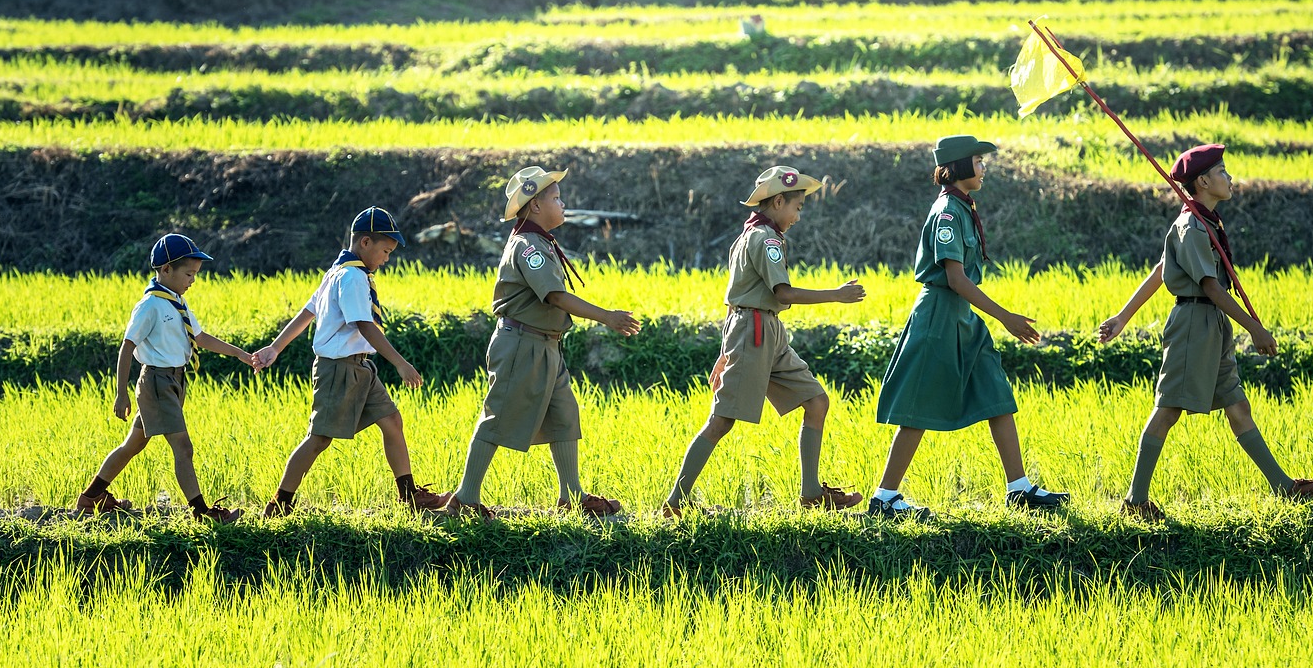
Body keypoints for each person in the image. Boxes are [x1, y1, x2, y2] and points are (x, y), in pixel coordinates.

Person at [1097, 143, 1313, 522]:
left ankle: (1284, 488)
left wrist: (1123, 317)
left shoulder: (1205, 221)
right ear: (1204, 180)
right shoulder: (1190, 225)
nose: (1230, 178)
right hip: (1194, 325)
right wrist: (1254, 329)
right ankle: (1134, 500)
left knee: (1237, 406)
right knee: (1168, 410)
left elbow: (1162, 269)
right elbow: (1209, 286)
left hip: (1213, 326)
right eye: (1223, 172)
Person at [866, 135, 1068, 519]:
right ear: (959, 166)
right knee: (917, 407)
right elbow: (956, 278)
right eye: (978, 159)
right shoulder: (947, 212)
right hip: (940, 317)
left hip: (963, 318)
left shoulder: (962, 207)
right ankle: (885, 498)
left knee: (996, 393)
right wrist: (1006, 317)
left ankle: (1018, 488)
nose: (984, 165)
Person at [662, 166, 867, 516]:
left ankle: (811, 492)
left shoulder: (752, 236)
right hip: (753, 332)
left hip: (765, 331)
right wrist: (836, 295)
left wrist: (727, 349)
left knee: (816, 402)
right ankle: (675, 502)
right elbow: (782, 291)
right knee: (722, 421)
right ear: (777, 201)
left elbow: (734, 299)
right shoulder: (765, 239)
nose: (798, 216)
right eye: (797, 207)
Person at [441, 167, 640, 519]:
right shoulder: (528, 246)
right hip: (521, 344)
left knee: (564, 414)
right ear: (534, 206)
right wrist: (607, 316)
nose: (563, 204)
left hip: (547, 344)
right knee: (497, 418)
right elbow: (556, 297)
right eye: (556, 198)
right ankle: (465, 498)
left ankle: (572, 496)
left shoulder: (541, 241)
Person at [254, 207, 449, 517]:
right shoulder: (351, 276)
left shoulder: (337, 272)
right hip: (339, 369)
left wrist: (276, 347)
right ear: (366, 243)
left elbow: (308, 313)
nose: (386, 259)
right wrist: (400, 363)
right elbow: (365, 325)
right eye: (385, 251)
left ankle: (409, 494)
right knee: (318, 439)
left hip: (361, 369)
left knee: (392, 422)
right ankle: (280, 503)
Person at [75, 233, 255, 523]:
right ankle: (203, 513)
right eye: (188, 273)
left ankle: (91, 497)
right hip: (157, 382)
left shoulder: (176, 303)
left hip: (174, 382)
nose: (192, 280)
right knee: (184, 448)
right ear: (166, 269)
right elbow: (127, 346)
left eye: (195, 274)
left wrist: (241, 355)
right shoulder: (150, 305)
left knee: (133, 444)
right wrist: (120, 393)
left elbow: (201, 337)